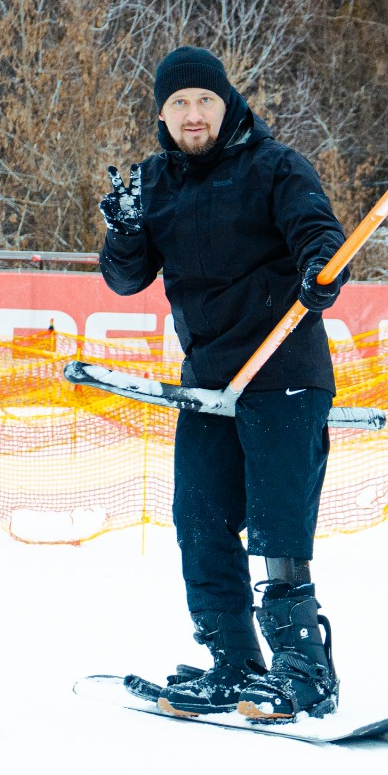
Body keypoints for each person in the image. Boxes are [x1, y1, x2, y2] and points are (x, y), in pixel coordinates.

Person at [97, 46, 350, 722]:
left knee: (276, 527)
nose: (192, 114)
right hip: (209, 382)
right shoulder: (156, 184)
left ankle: (303, 671)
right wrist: (124, 232)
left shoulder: (276, 167)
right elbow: (127, 279)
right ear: (162, 114)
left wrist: (321, 266)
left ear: (226, 102)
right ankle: (233, 662)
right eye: (178, 103)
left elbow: (318, 233)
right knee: (201, 524)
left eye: (203, 100)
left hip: (283, 373)